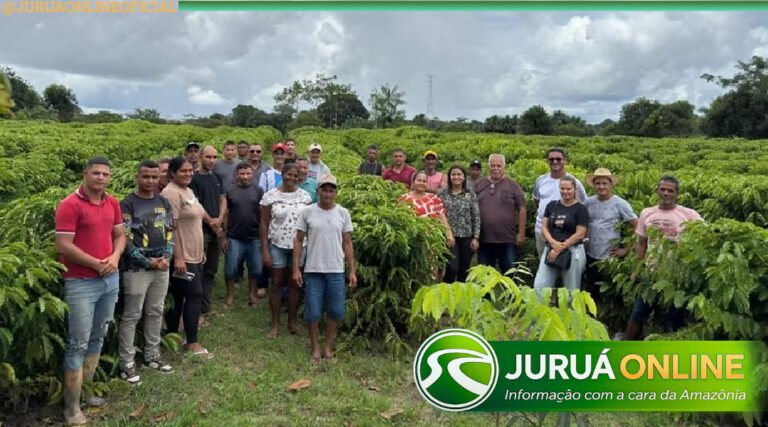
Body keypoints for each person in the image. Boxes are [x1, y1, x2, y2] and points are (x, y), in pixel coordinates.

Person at [55, 156, 125, 427]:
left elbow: (120, 235)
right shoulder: (70, 204)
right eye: (96, 173)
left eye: (105, 174)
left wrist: (114, 258)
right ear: (85, 174)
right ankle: (71, 408)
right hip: (81, 282)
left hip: (110, 279)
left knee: (97, 337)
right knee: (78, 343)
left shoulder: (112, 203)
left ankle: (87, 393)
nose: (101, 178)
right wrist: (96, 263)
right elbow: (63, 245)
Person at [622, 176, 702, 341]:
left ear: (677, 194)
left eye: (670, 191)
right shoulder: (647, 213)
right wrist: (636, 269)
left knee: (676, 314)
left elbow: (705, 236)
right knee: (639, 311)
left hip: (677, 274)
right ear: (657, 191)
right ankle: (625, 345)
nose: (666, 193)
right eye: (662, 189)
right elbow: (642, 243)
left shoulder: (688, 215)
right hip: (651, 272)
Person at [118, 161, 174, 386]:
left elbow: (170, 232)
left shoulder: (164, 202)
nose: (150, 181)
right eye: (145, 177)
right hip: (136, 269)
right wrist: (146, 261)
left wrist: (167, 257)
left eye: (154, 177)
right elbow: (124, 238)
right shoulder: (127, 204)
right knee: (132, 315)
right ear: (137, 177)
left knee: (155, 310)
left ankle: (152, 355)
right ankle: (127, 362)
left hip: (161, 266)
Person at [293, 174, 357, 365]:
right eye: (324, 190)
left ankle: (328, 347)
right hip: (313, 270)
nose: (327, 194)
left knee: (335, 310)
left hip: (336, 269)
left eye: (331, 190)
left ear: (335, 192)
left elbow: (347, 242)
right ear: (318, 191)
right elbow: (298, 240)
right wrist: (296, 268)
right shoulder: (308, 212)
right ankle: (315, 347)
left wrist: (352, 270)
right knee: (313, 311)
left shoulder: (343, 213)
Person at [161, 157, 217, 358]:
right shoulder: (171, 193)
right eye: (183, 171)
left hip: (194, 254)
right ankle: (192, 342)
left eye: (190, 170)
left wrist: (201, 249)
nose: (188, 174)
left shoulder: (188, 191)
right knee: (194, 295)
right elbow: (171, 228)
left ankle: (172, 336)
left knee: (179, 296)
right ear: (173, 173)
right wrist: (178, 257)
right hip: (182, 257)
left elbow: (198, 217)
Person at [260, 163, 312, 338]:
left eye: (295, 176)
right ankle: (275, 324)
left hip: (300, 246)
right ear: (282, 174)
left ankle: (292, 321)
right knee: (276, 283)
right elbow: (264, 223)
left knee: (294, 284)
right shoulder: (270, 196)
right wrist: (265, 250)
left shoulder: (305, 197)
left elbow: (309, 223)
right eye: (289, 174)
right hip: (277, 246)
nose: (292, 178)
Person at [583, 168, 638, 302]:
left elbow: (636, 225)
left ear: (611, 185)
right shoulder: (588, 202)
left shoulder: (620, 203)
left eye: (604, 183)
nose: (601, 187)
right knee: (592, 287)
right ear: (593, 185)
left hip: (610, 256)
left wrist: (626, 249)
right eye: (598, 183)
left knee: (611, 290)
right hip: (590, 253)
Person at [533, 176, 590, 299]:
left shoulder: (581, 209)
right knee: (540, 286)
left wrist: (560, 248)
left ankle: (570, 311)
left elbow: (580, 234)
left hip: (572, 251)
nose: (565, 191)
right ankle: (540, 311)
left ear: (575, 189)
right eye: (562, 188)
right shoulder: (552, 205)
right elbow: (544, 227)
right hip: (551, 249)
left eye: (568, 189)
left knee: (571, 292)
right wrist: (553, 244)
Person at [189, 146, 227, 319]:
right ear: (200, 157)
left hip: (215, 229)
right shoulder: (194, 179)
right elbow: (195, 205)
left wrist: (220, 218)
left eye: (214, 157)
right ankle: (195, 308)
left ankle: (206, 306)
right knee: (199, 269)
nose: (211, 160)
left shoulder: (217, 177)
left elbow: (222, 199)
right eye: (208, 157)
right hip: (200, 230)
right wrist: (211, 222)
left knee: (211, 269)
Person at [474, 154, 526, 276]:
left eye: (499, 166)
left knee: (509, 273)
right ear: (488, 166)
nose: (495, 168)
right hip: (484, 239)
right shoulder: (479, 184)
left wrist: (521, 233)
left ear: (504, 167)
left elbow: (522, 209)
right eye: (493, 166)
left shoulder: (513, 185)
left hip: (507, 239)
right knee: (485, 275)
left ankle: (508, 290)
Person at [221, 163, 264, 308]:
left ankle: (252, 294)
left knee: (256, 268)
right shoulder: (229, 191)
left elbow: (262, 214)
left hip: (254, 236)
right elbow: (226, 214)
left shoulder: (258, 191)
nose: (245, 177)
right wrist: (224, 236)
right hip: (234, 236)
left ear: (252, 174)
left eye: (248, 173)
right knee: (231, 268)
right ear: (237, 175)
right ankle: (230, 295)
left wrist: (263, 237)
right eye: (242, 174)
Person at [532, 148, 587, 258]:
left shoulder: (574, 182)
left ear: (565, 161)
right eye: (551, 159)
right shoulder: (540, 180)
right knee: (544, 261)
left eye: (558, 159)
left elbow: (583, 204)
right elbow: (536, 201)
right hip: (542, 229)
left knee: (566, 262)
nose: (555, 161)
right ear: (547, 161)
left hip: (566, 233)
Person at [437, 165, 480, 283]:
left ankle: (461, 292)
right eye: (453, 174)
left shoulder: (470, 194)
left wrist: (476, 238)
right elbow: (438, 214)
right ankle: (446, 290)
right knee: (452, 268)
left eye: (459, 174)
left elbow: (476, 217)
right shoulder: (442, 194)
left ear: (464, 177)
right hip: (449, 237)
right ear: (449, 177)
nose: (456, 177)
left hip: (467, 236)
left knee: (464, 269)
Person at [399, 171, 453, 242]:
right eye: (419, 180)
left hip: (434, 237)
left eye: (424, 181)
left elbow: (442, 217)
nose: (421, 183)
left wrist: (449, 234)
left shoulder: (433, 197)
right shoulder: (404, 198)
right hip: (412, 238)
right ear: (413, 182)